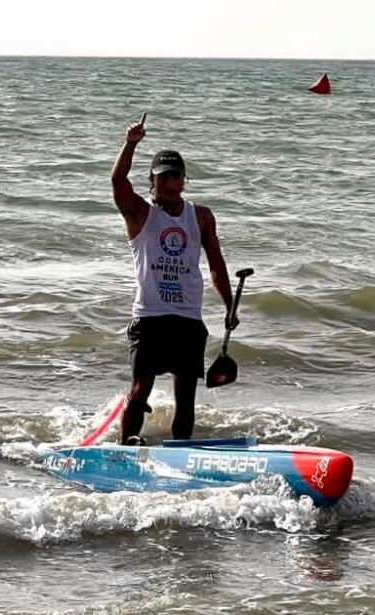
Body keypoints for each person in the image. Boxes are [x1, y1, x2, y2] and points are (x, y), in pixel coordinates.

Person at [111, 113, 238, 444]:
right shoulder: (140, 214)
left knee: (186, 397)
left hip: (187, 319)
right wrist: (130, 144)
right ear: (152, 182)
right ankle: (125, 448)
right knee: (140, 389)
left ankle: (180, 452)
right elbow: (117, 183)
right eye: (163, 176)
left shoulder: (201, 217)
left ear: (183, 181)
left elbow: (216, 264)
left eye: (176, 176)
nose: (170, 182)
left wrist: (229, 306)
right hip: (150, 317)